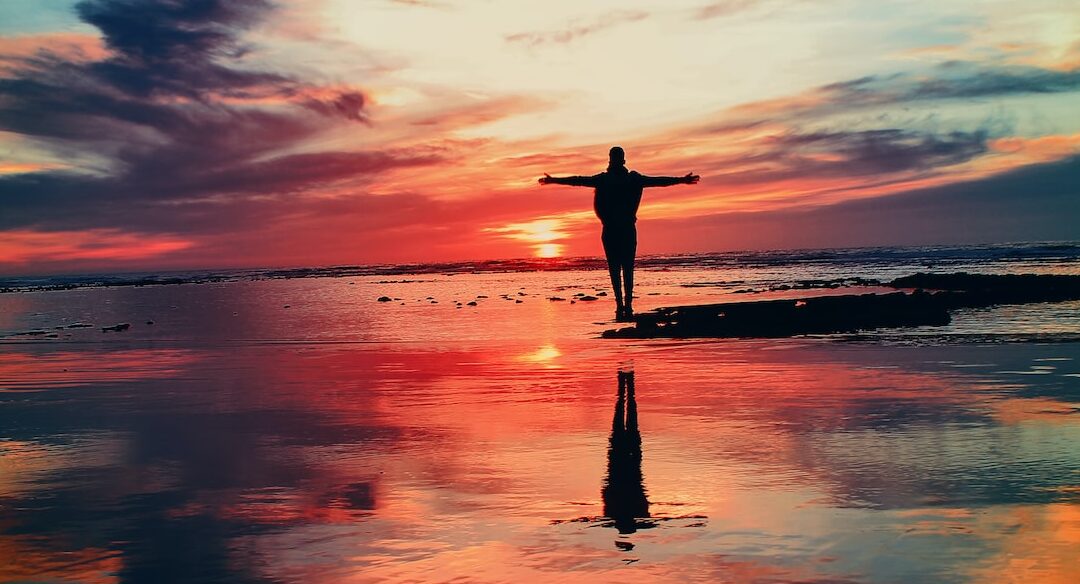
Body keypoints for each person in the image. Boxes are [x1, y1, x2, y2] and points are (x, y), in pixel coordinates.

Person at [539, 146, 699, 321]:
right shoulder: (623, 179)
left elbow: (658, 181)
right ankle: (624, 304)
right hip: (620, 230)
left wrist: (681, 180)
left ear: (613, 160)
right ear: (622, 160)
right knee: (623, 268)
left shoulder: (618, 179)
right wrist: (554, 180)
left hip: (617, 230)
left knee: (618, 268)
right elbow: (578, 180)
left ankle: (623, 304)